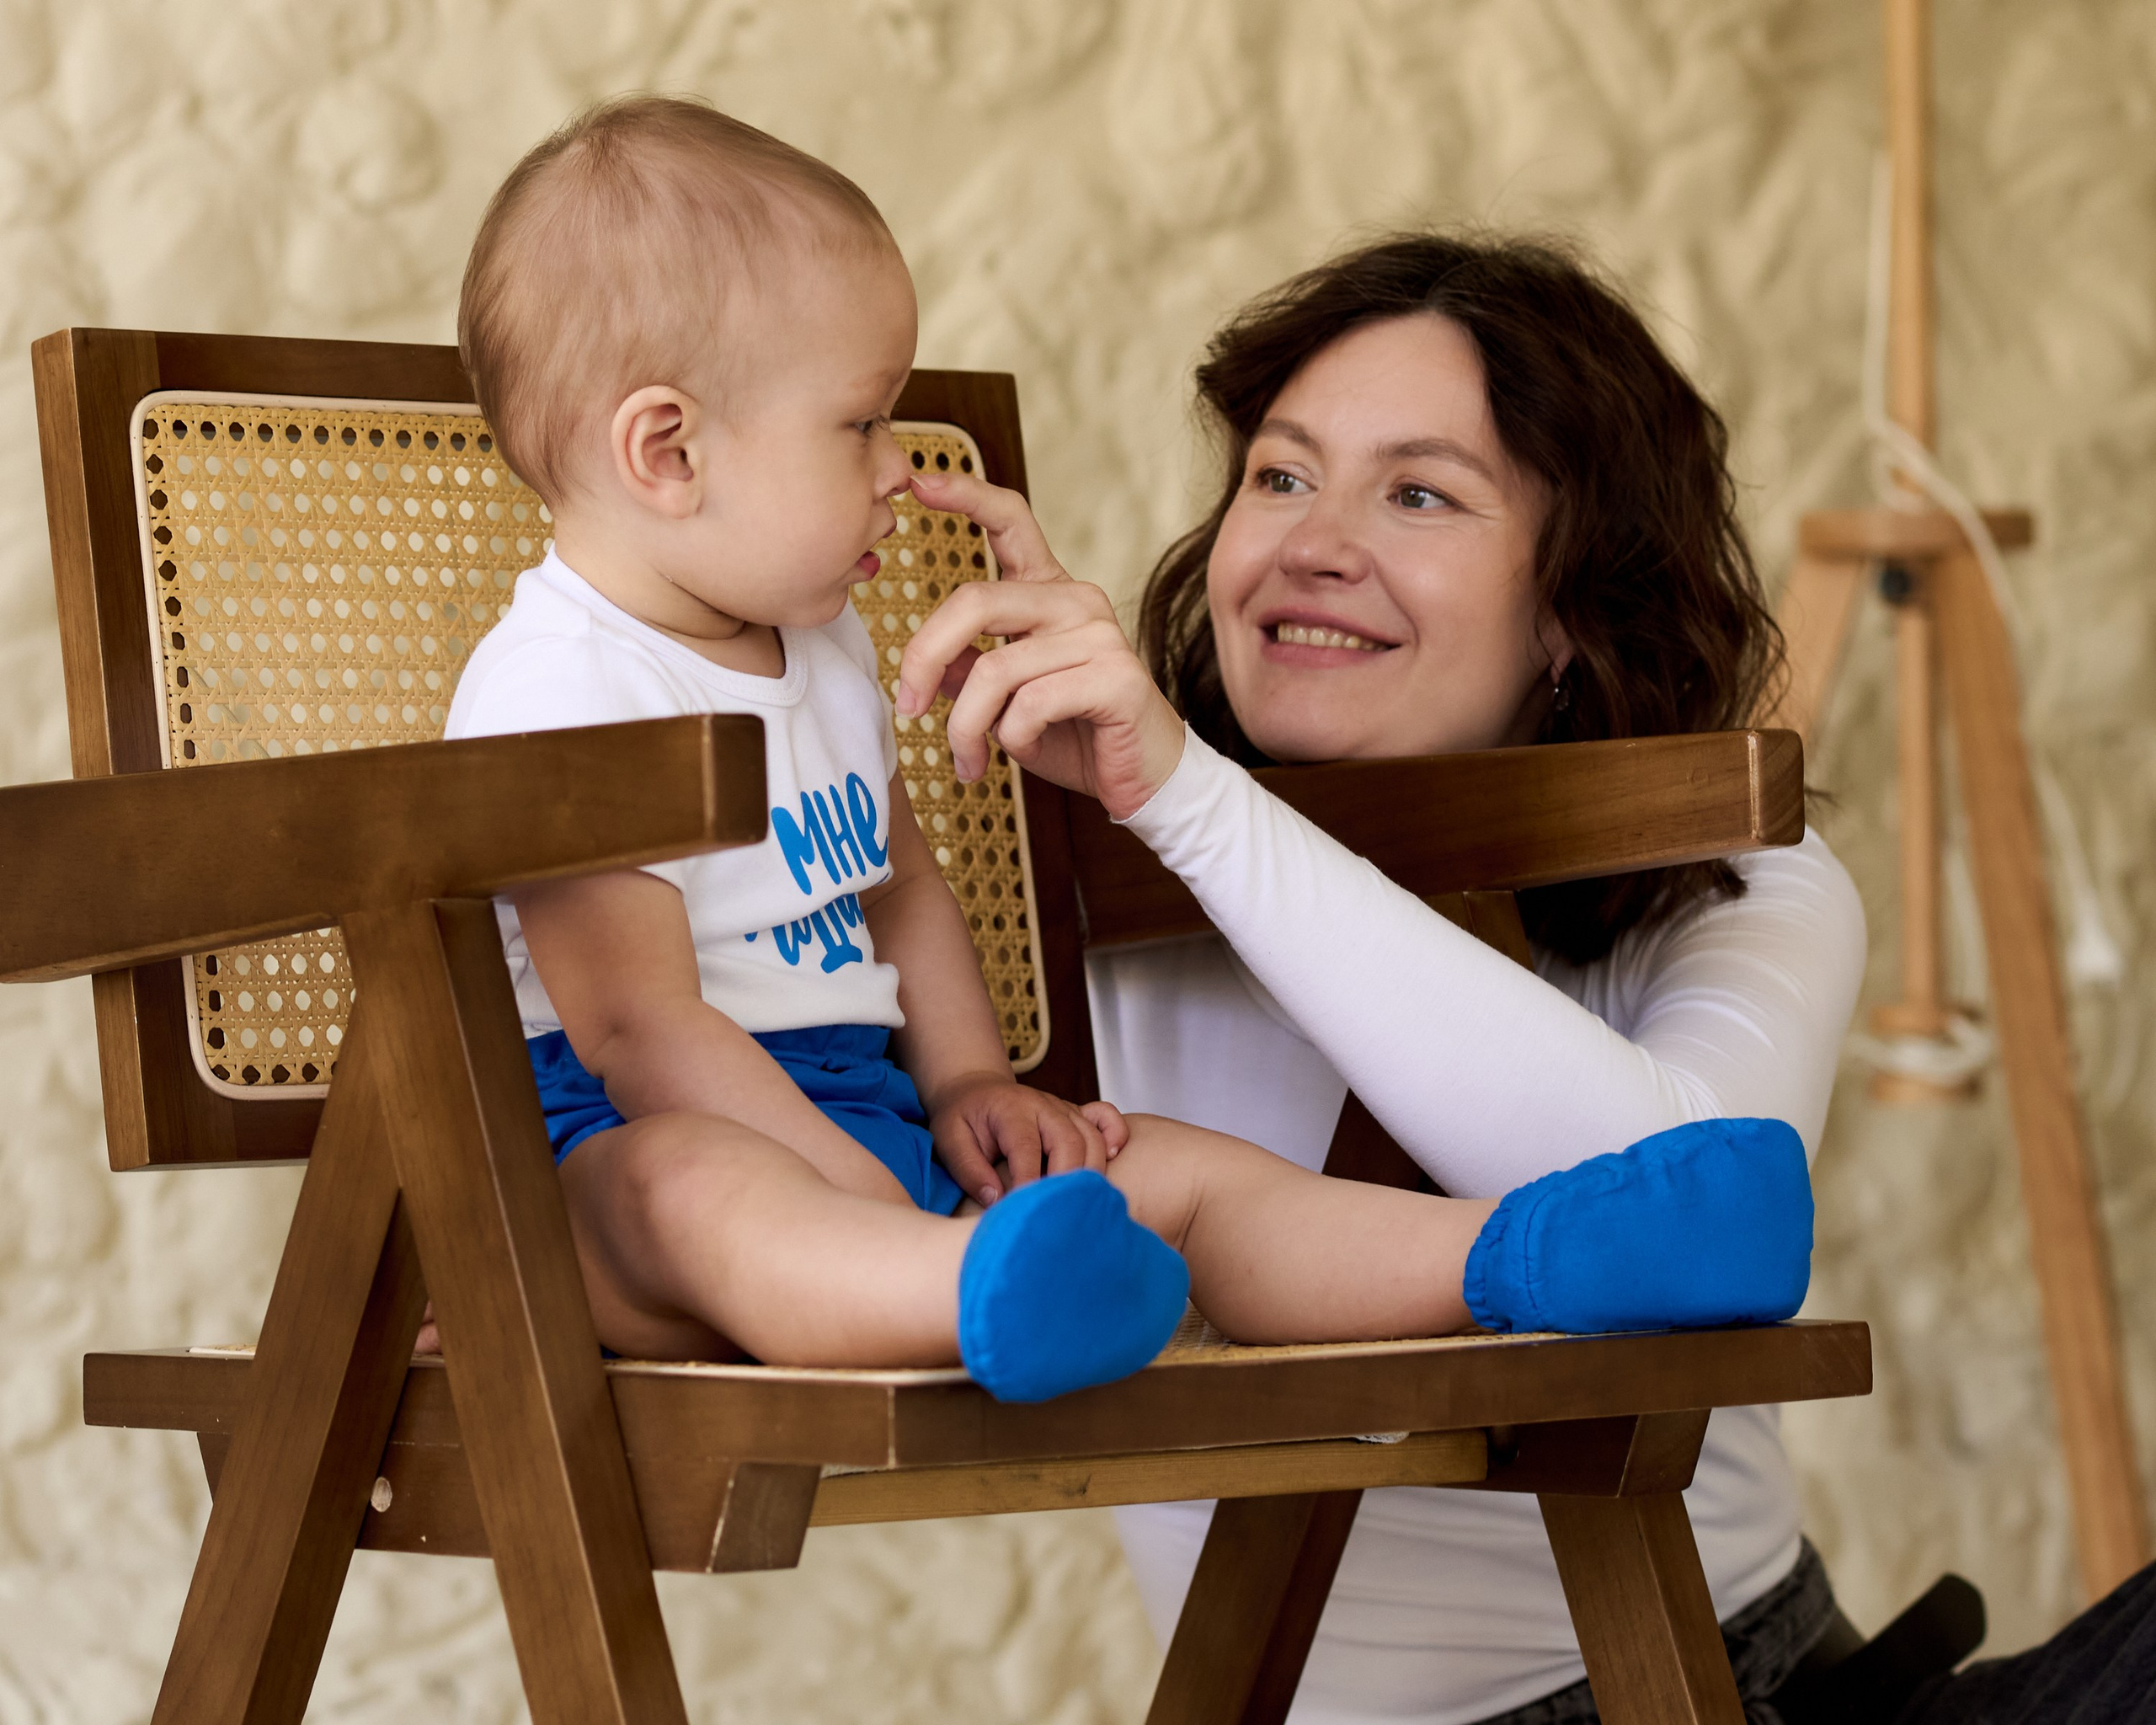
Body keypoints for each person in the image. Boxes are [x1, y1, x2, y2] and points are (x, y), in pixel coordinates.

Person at [438, 101, 1810, 1407]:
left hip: (871, 1115)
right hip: (629, 1147)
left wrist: (973, 1082)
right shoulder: (562, 687)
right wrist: (853, 1194)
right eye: (861, 422)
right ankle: (977, 1284)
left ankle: (1531, 1255)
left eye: (1417, 492)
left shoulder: (822, 648)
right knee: (689, 1194)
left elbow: (903, 885)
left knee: (1183, 1177)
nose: (895, 465)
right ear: (667, 450)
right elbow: (635, 1030)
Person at [894, 234, 1866, 1721]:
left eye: (1418, 494)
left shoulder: (1741, 881)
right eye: (1279, 477)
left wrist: (1198, 803)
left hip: (1724, 1683)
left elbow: (1682, 1215)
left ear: (1569, 610)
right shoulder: (1032, 904)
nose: (1309, 544)